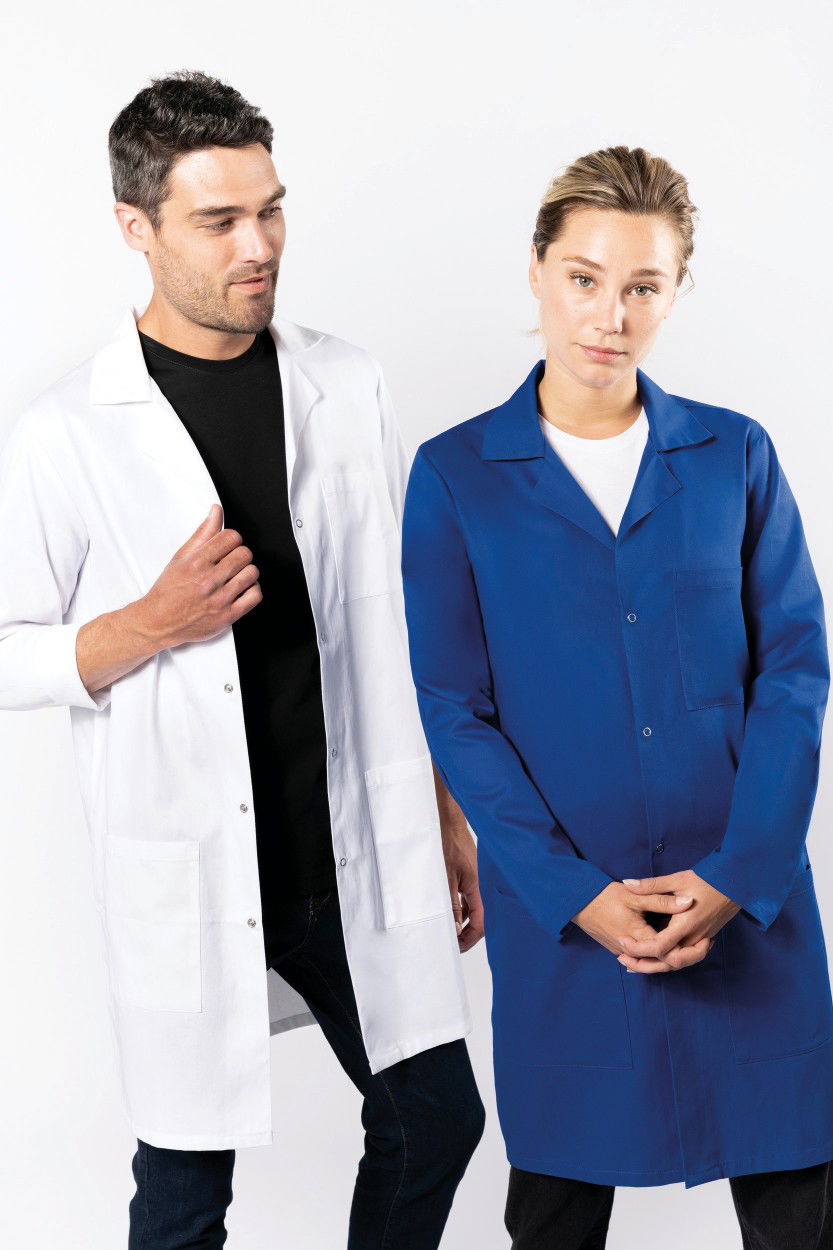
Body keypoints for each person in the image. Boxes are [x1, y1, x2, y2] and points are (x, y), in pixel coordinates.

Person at [0, 70, 485, 1249]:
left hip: (346, 850)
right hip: (195, 865)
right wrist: (149, 620)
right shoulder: (66, 432)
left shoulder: (346, 380)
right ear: (136, 226)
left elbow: (397, 617)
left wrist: (443, 808)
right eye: (218, 220)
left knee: (433, 1116)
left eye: (270, 210)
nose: (258, 245)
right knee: (184, 1194)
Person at [400, 144, 833, 1248]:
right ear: (536, 270)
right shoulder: (455, 477)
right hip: (567, 922)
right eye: (584, 278)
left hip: (745, 908)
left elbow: (793, 671)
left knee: (798, 1206)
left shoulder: (734, 455)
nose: (610, 315)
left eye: (643, 285)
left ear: (676, 290)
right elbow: (453, 707)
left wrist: (739, 873)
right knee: (554, 1210)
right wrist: (571, 891)